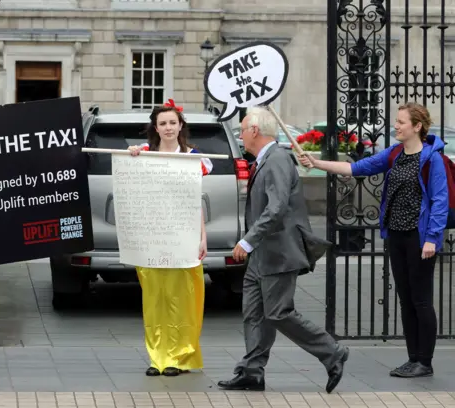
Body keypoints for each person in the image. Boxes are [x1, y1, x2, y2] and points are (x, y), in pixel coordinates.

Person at [298, 102, 448, 378]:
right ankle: (412, 358)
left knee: (421, 300)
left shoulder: (432, 159)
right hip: (397, 236)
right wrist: (318, 163)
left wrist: (432, 238)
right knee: (405, 299)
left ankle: (424, 362)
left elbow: (440, 200)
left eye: (402, 122)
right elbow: (358, 168)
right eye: (397, 121)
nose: (396, 126)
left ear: (417, 126)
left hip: (419, 237)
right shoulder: (395, 154)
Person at [217, 106, 349, 393]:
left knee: (277, 312)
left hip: (278, 252)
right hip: (262, 255)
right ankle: (252, 371)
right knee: (254, 313)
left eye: (242, 129)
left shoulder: (276, 159)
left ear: (254, 131)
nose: (240, 135)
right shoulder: (268, 158)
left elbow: (275, 209)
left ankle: (331, 351)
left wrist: (247, 240)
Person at [127, 99, 211, 377]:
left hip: (183, 236)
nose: (168, 127)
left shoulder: (194, 158)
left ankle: (179, 356)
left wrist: (202, 237)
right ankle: (157, 357)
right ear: (156, 127)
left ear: (180, 125)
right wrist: (132, 155)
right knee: (154, 298)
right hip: (152, 236)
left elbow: (195, 201)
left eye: (172, 122)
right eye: (162, 123)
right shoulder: (143, 155)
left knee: (182, 298)